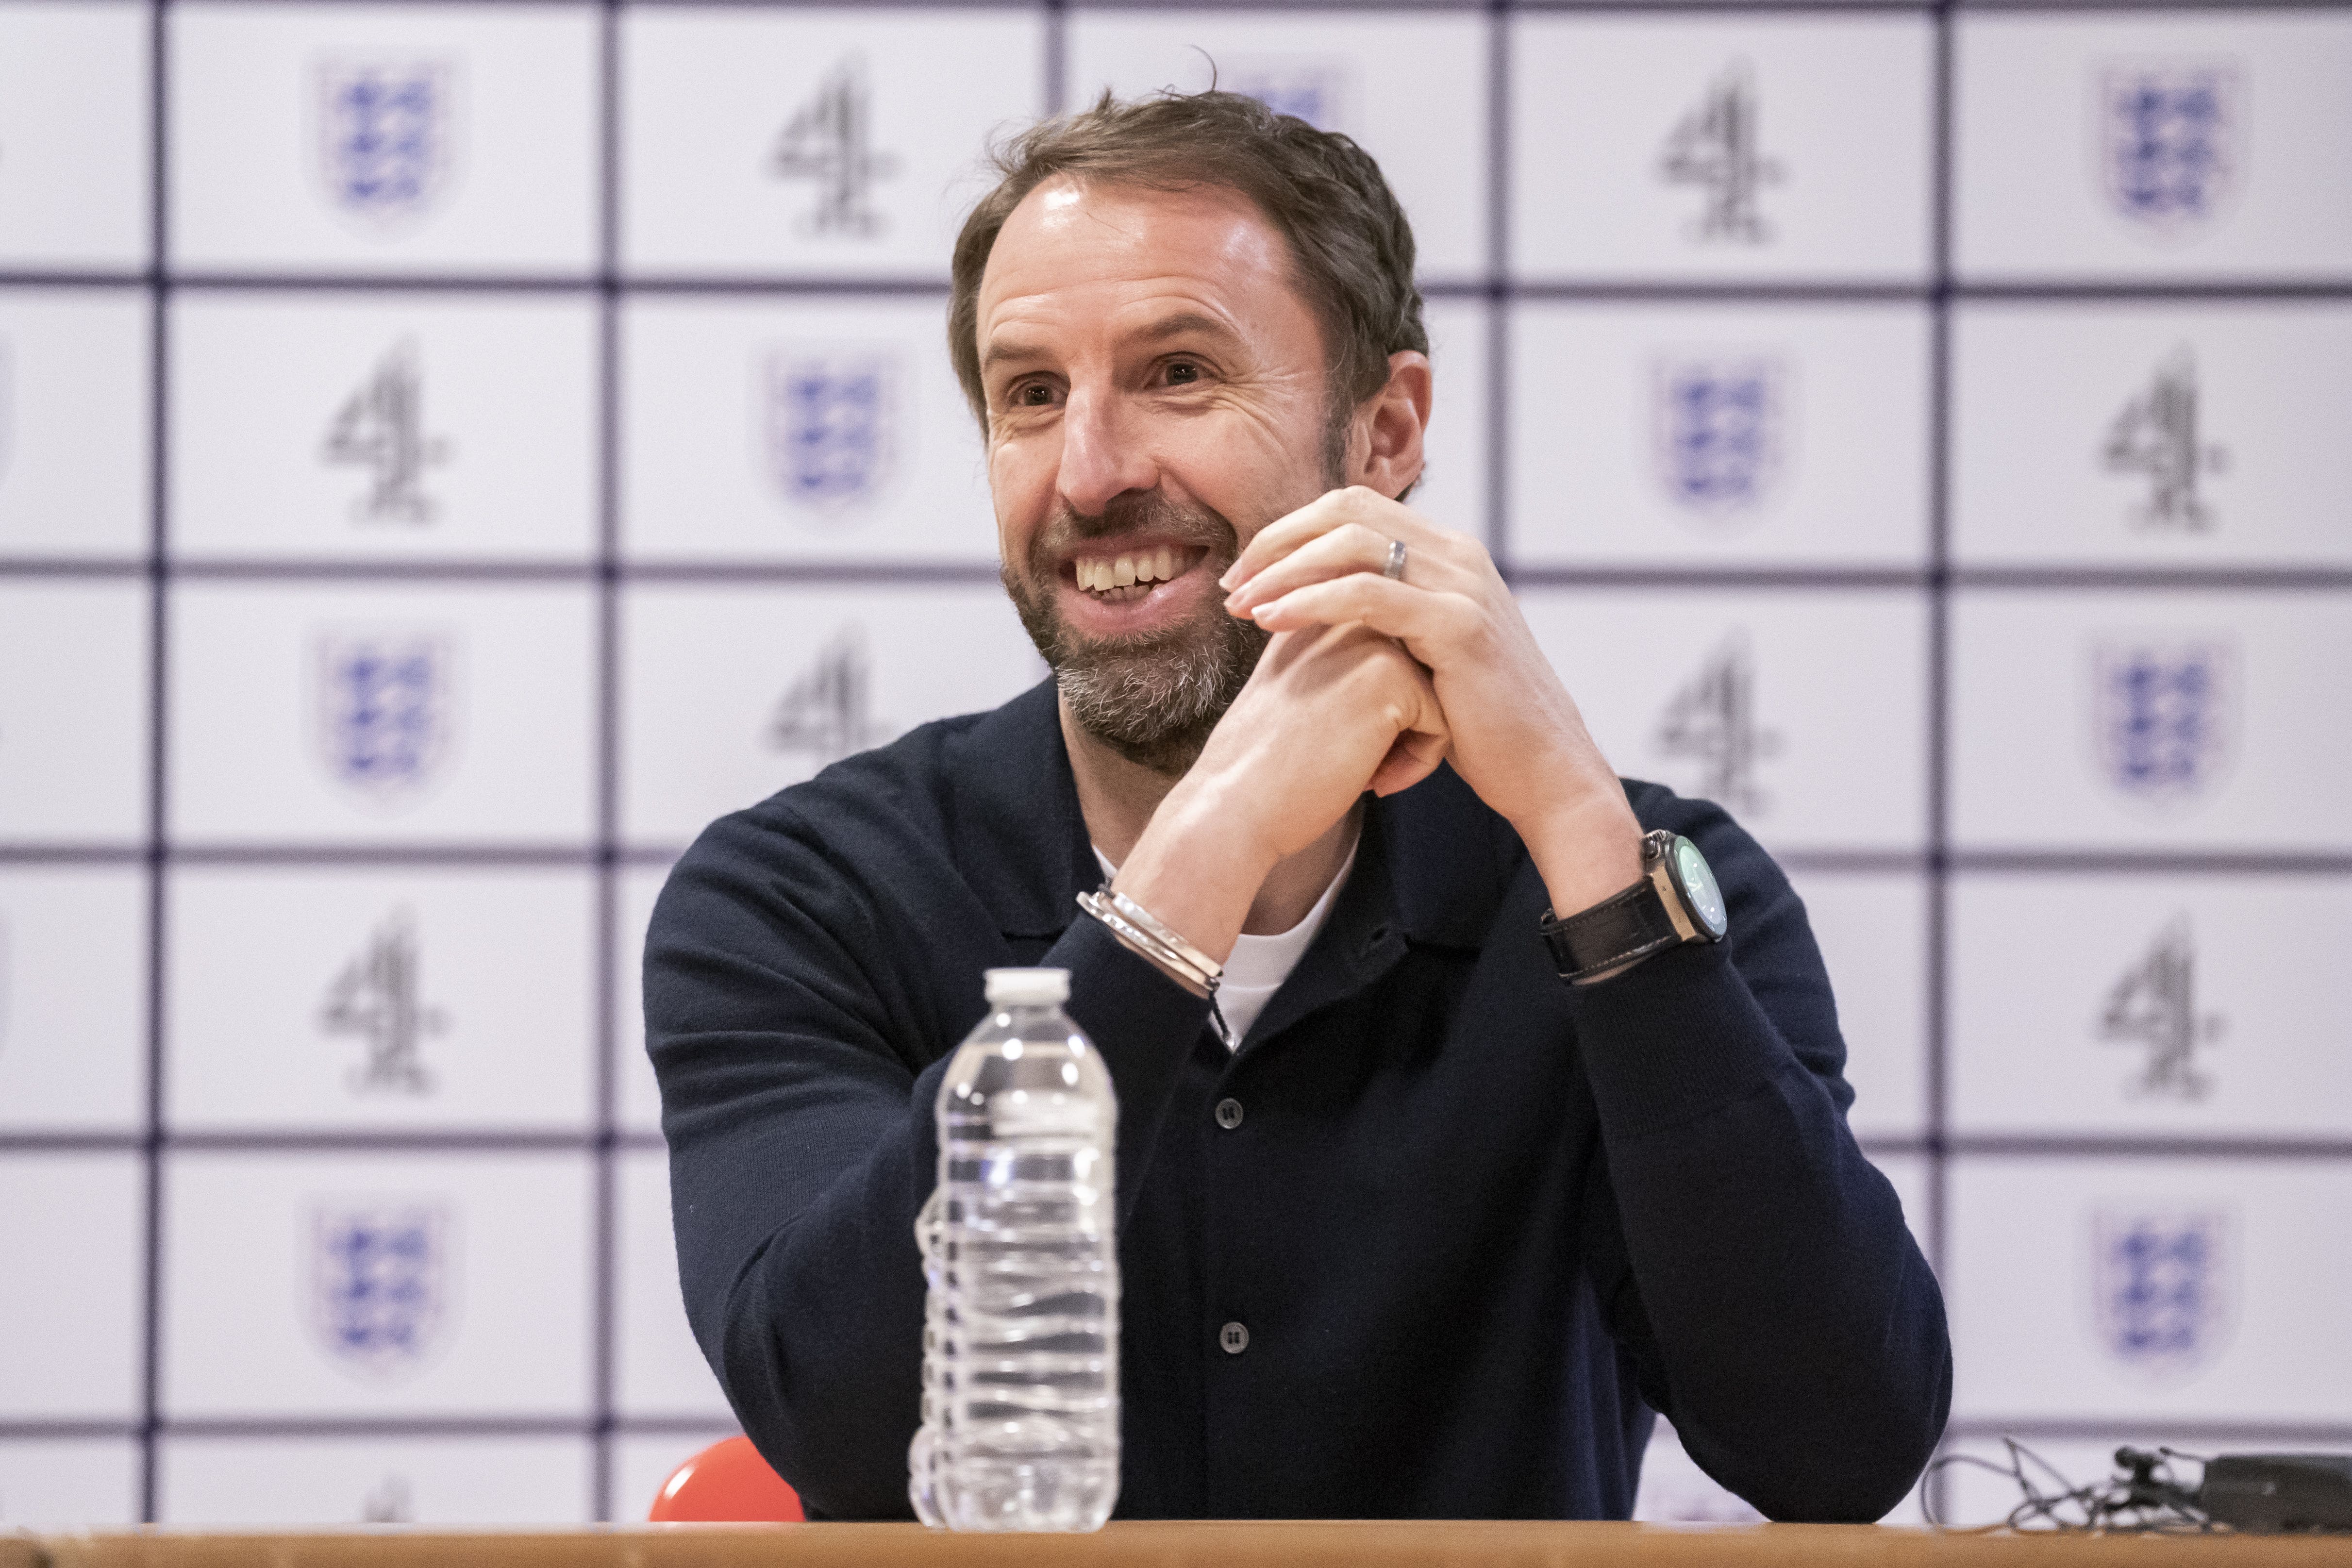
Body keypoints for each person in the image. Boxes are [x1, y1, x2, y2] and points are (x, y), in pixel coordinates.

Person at [646, 89, 1951, 1523]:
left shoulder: (1640, 884)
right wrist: (1201, 858)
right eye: (1029, 395)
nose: (1088, 472)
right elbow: (841, 1425)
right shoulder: (802, 896)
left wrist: (1576, 819)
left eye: (1180, 373)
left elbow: (1837, 1450)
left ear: (1385, 430)